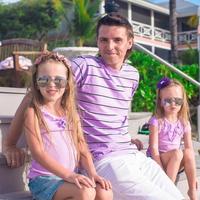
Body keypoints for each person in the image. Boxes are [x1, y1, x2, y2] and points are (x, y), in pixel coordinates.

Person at [4, 13, 185, 199]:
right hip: (104, 159)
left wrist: (124, 138)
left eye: (117, 40)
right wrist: (9, 143)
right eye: (104, 40)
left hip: (133, 155)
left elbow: (117, 113)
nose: (110, 46)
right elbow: (35, 94)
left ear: (130, 42)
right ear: (97, 41)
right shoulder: (84, 66)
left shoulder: (133, 74)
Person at [22, 52, 113, 200]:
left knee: (104, 191)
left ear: (67, 83)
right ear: (36, 83)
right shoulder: (34, 112)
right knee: (85, 192)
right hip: (44, 180)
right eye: (44, 79)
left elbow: (82, 147)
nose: (51, 84)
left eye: (58, 80)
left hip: (69, 176)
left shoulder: (71, 113)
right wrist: (69, 175)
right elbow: (38, 153)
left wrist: (92, 173)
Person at [146, 77, 198, 200]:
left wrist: (193, 176)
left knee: (188, 152)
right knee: (177, 152)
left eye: (177, 100)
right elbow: (153, 148)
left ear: (183, 101)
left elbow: (189, 148)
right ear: (160, 101)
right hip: (157, 160)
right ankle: (168, 190)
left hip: (175, 160)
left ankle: (192, 191)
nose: (173, 104)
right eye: (168, 101)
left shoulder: (184, 123)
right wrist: (159, 169)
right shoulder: (156, 121)